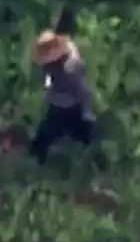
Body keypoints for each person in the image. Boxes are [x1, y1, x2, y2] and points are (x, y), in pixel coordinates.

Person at [30, 31, 96, 164]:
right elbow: (49, 83)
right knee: (45, 137)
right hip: (57, 106)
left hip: (71, 108)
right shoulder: (51, 69)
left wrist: (87, 112)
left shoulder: (69, 69)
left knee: (82, 136)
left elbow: (83, 91)